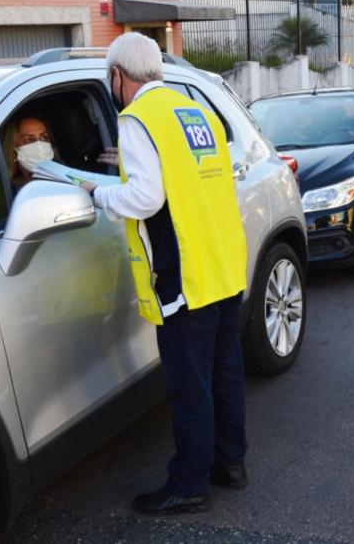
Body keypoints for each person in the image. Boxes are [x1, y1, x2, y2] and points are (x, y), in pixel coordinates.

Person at [83, 32, 249, 515]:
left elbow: (146, 198)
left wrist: (100, 194)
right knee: (225, 374)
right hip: (222, 266)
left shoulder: (136, 118)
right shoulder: (194, 111)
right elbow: (187, 176)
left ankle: (190, 482)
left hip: (185, 278)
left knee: (188, 385)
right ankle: (230, 464)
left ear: (117, 75)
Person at [3, 115, 60, 191]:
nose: (39, 145)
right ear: (14, 152)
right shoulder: (8, 191)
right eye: (29, 139)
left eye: (44, 137)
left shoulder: (64, 182)